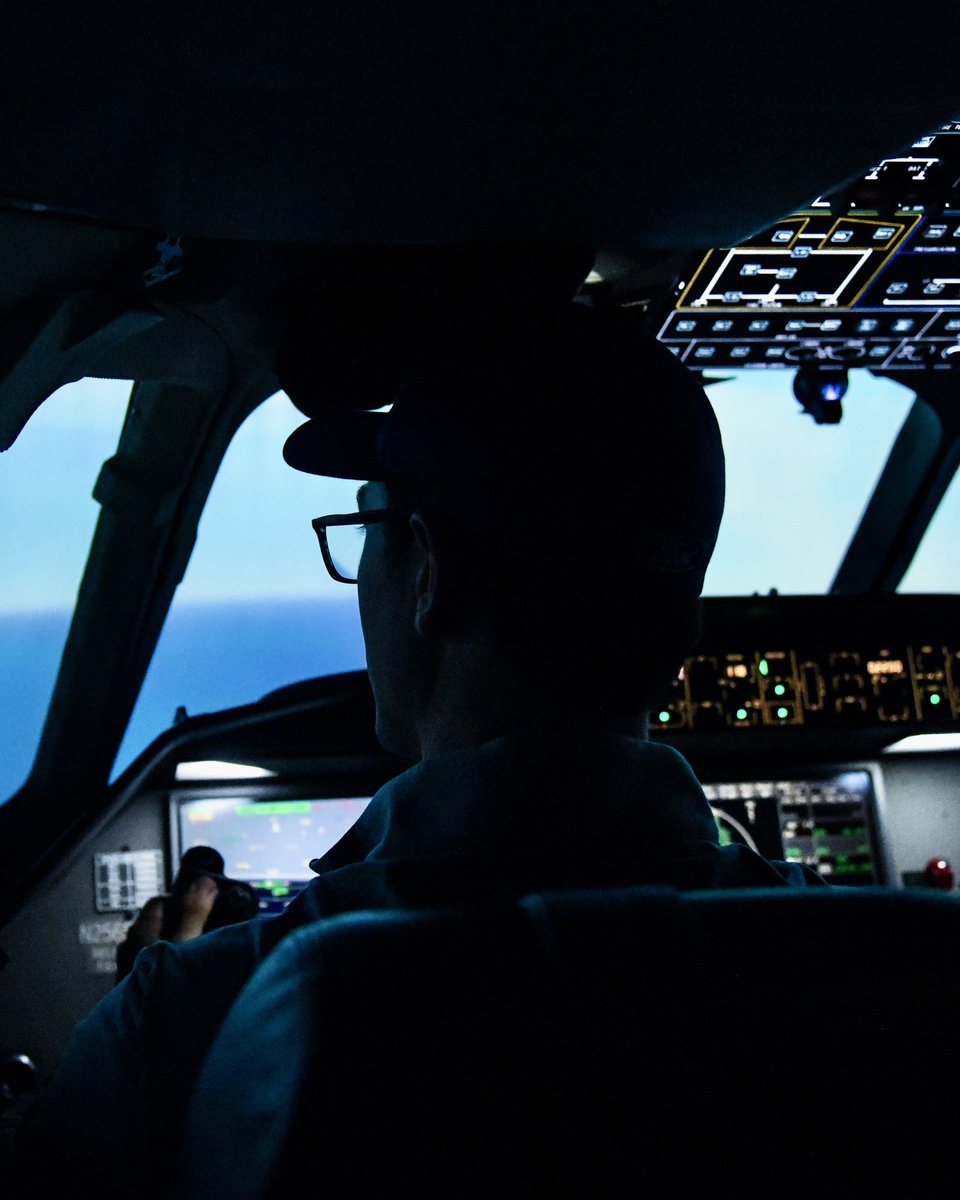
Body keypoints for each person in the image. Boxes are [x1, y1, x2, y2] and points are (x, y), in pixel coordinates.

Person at [14, 300, 826, 1196]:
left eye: (372, 530)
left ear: (428, 573)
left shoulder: (190, 1019)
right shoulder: (859, 977)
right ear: (683, 618)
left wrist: (172, 1024)